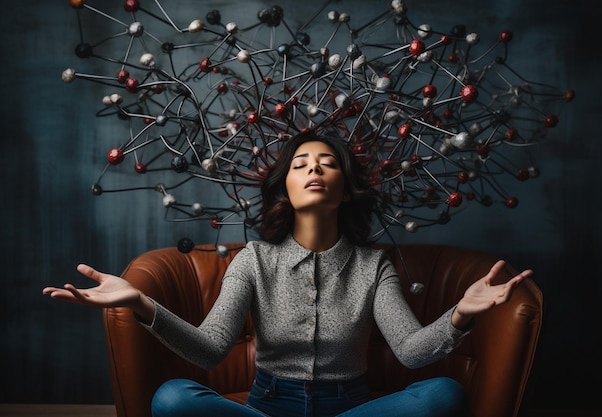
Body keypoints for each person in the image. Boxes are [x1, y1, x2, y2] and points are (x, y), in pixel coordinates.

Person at [43, 130, 532, 417]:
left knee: (445, 395)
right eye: (301, 164)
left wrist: (462, 314)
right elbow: (211, 350)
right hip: (267, 405)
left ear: (345, 189)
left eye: (327, 164)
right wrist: (139, 303)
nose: (314, 170)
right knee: (172, 399)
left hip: (350, 408)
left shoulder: (372, 265)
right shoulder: (254, 260)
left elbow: (410, 350)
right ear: (286, 189)